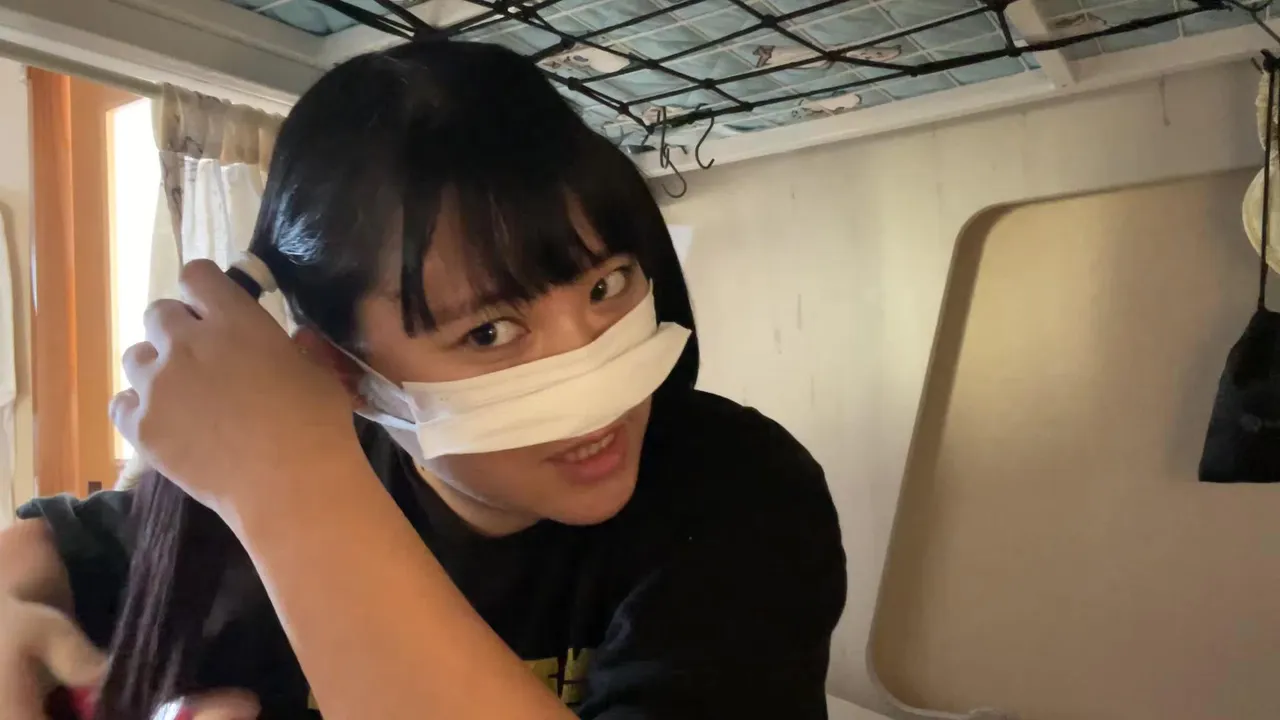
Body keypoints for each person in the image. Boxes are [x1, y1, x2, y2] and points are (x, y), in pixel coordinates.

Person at [0, 40, 846, 720]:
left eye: (607, 286)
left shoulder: (739, 490)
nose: (596, 377)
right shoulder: (258, 491)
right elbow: (42, 556)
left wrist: (293, 502)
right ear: (346, 370)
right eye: (489, 331)